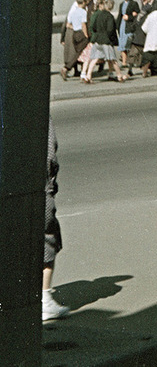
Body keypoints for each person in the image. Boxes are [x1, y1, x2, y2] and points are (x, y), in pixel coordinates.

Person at [42, 119, 69, 322]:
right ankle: (43, 299)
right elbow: (49, 156)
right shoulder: (38, 112)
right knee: (47, 238)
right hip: (38, 189)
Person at [83, 0, 123, 83]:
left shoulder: (98, 14)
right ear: (111, 7)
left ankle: (88, 76)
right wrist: (112, 39)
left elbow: (93, 27)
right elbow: (110, 30)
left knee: (95, 59)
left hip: (97, 40)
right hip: (106, 41)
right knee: (112, 59)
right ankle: (119, 75)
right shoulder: (110, 16)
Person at [60, 0, 90, 81]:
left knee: (77, 51)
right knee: (79, 52)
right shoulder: (83, 12)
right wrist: (86, 35)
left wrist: (75, 27)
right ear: (83, 3)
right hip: (81, 33)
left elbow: (68, 24)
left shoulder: (72, 12)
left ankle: (80, 71)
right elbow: (83, 24)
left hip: (74, 34)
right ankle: (67, 68)